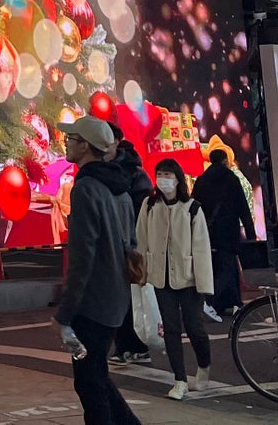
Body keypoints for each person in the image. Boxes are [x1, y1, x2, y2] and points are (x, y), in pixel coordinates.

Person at [55, 116, 143, 425]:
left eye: (72, 138)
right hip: (116, 300)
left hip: (92, 304)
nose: (66, 142)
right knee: (96, 375)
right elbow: (131, 243)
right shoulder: (119, 188)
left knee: (90, 383)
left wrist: (65, 313)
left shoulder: (86, 189)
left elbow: (83, 258)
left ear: (86, 146)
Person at [138, 159, 213, 400]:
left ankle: (204, 366)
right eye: (159, 174)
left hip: (189, 279)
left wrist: (204, 284)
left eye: (167, 174)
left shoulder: (192, 208)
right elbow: (141, 240)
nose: (163, 178)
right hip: (161, 278)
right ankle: (179, 380)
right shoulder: (149, 205)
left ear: (177, 178)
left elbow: (201, 247)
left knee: (195, 327)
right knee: (170, 329)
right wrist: (140, 275)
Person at [105, 136, 154, 366]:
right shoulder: (114, 171)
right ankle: (126, 346)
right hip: (121, 243)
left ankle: (134, 346)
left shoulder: (132, 174)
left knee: (132, 299)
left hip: (130, 245)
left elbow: (142, 209)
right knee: (124, 298)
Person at [193, 147, 253, 315]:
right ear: (225, 160)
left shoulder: (202, 180)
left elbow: (194, 206)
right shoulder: (231, 179)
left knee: (215, 267)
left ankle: (228, 301)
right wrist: (250, 232)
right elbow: (243, 207)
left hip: (208, 232)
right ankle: (215, 301)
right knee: (229, 266)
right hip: (229, 231)